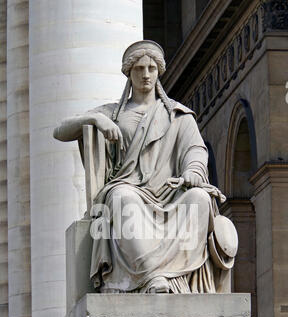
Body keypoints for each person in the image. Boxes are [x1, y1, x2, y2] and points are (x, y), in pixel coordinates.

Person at [54, 40, 234, 293]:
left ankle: (175, 275)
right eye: (139, 68)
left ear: (159, 71)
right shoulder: (113, 113)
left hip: (170, 192)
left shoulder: (178, 115)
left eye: (151, 67)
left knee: (199, 199)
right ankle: (151, 277)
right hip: (129, 188)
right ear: (129, 72)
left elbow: (195, 149)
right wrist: (95, 119)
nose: (146, 74)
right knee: (122, 199)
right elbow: (60, 130)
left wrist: (192, 172)